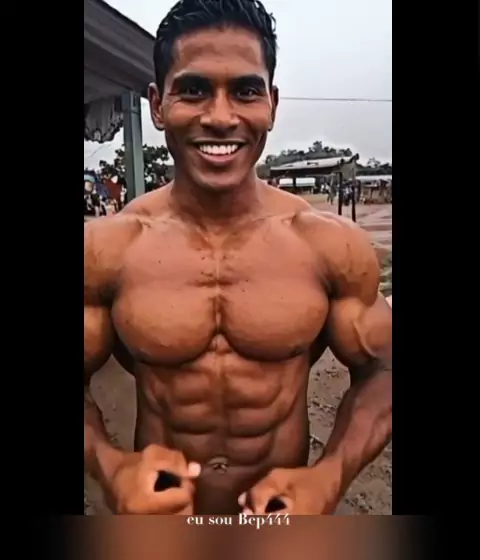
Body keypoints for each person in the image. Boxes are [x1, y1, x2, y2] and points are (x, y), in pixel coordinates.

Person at [84, 0, 392, 516]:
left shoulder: (329, 246)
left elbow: (383, 368)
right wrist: (110, 466)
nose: (221, 117)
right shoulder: (108, 248)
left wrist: (329, 477)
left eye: (246, 91)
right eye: (194, 90)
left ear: (271, 103)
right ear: (157, 105)